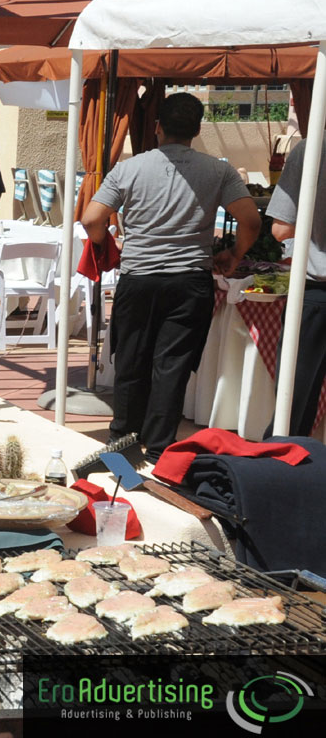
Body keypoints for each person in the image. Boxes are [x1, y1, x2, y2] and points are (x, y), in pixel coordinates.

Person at [81, 92, 259, 461]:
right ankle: (159, 450)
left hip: (139, 277)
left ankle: (122, 447)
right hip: (189, 280)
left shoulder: (130, 168)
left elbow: (91, 219)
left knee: (130, 362)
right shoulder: (218, 170)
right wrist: (234, 254)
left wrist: (107, 244)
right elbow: (251, 220)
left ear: (157, 127)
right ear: (196, 130)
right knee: (172, 366)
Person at [265, 139, 326, 436]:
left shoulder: (314, 147)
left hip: (315, 291)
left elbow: (281, 228)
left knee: (294, 401)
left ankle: (281, 468)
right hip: (314, 291)